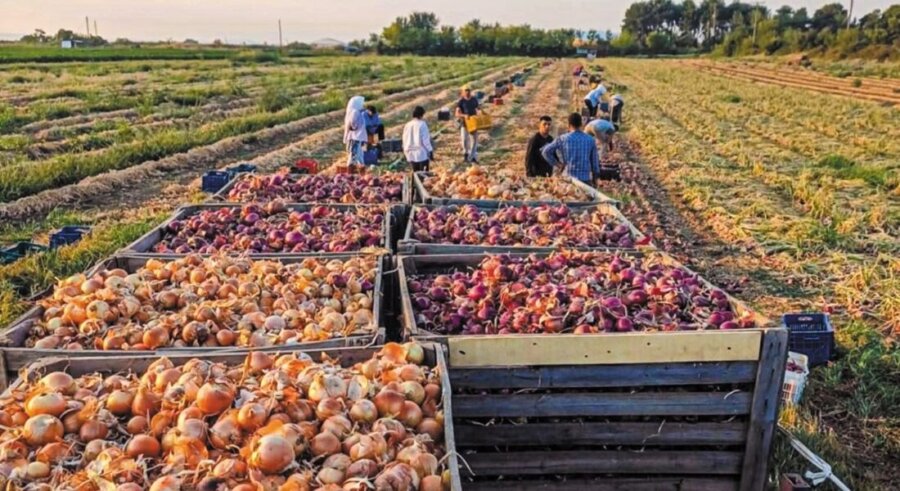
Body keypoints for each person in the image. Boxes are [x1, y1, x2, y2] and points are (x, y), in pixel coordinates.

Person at [541, 112, 600, 187]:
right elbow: (595, 163)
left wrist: (558, 164)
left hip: (568, 180)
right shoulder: (590, 140)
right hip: (585, 180)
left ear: (569, 125)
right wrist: (595, 179)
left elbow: (545, 152)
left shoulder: (562, 138)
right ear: (581, 125)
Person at [402, 106, 433, 173]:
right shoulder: (422, 124)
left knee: (415, 172)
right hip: (421, 153)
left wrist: (405, 150)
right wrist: (430, 150)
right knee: (423, 174)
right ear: (421, 115)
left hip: (410, 153)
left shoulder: (408, 124)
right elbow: (425, 140)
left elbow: (404, 139)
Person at [455, 85, 480, 163]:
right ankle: (465, 153)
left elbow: (478, 108)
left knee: (474, 140)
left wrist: (480, 112)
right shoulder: (461, 101)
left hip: (473, 122)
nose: (467, 92)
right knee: (464, 140)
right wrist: (464, 115)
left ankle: (473, 157)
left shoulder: (474, 100)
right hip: (465, 123)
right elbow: (457, 114)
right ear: (462, 92)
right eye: (465, 90)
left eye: (468, 90)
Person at [343, 96, 367, 167]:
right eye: (361, 103)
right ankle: (352, 167)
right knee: (354, 152)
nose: (362, 105)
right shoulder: (355, 112)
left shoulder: (355, 111)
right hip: (355, 136)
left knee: (359, 153)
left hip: (357, 136)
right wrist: (356, 128)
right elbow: (353, 123)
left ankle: (360, 167)